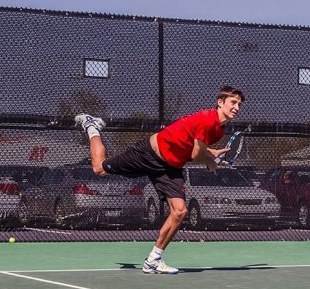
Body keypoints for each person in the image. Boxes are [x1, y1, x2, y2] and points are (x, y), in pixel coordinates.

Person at [75, 86, 245, 274]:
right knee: (100, 168)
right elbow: (197, 154)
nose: (237, 107)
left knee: (180, 212)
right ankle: (92, 126)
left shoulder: (219, 131)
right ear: (220, 102)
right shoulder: (208, 120)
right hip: (148, 154)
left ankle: (153, 260)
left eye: (239, 104)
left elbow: (193, 146)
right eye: (233, 102)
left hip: (170, 167)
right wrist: (210, 161)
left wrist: (210, 154)